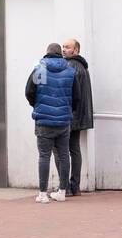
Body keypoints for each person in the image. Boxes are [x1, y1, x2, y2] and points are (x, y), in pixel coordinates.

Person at [25, 43, 77, 203]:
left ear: (47, 53)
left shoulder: (40, 69)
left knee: (44, 156)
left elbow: (29, 92)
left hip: (44, 121)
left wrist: (38, 106)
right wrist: (67, 110)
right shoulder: (70, 71)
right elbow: (77, 97)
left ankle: (42, 194)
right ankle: (62, 191)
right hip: (63, 121)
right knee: (64, 155)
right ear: (60, 54)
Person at [61, 39, 94, 196]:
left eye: (67, 47)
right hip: (80, 114)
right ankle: (75, 186)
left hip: (71, 114)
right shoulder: (82, 66)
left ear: (76, 50)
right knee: (75, 149)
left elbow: (69, 93)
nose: (63, 49)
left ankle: (65, 187)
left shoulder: (70, 66)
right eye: (63, 47)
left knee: (63, 150)